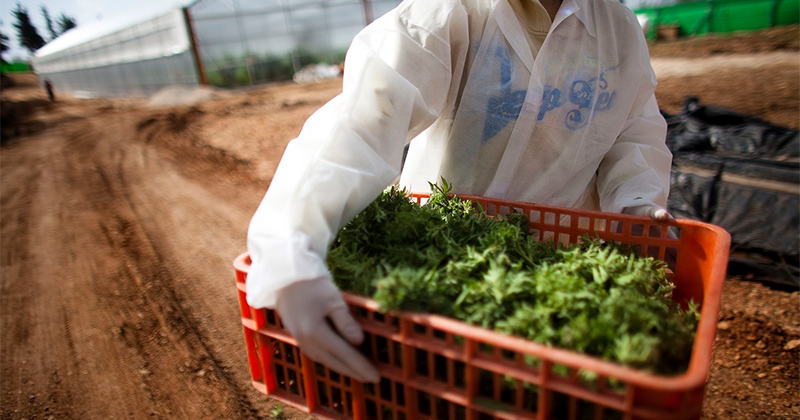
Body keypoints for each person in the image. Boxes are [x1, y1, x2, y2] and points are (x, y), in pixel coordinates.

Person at [246, 0, 672, 383]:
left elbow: (634, 129)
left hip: (553, 257)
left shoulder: (617, 28)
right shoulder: (450, 13)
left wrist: (636, 196)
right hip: (435, 250)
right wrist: (291, 245)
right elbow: (363, 123)